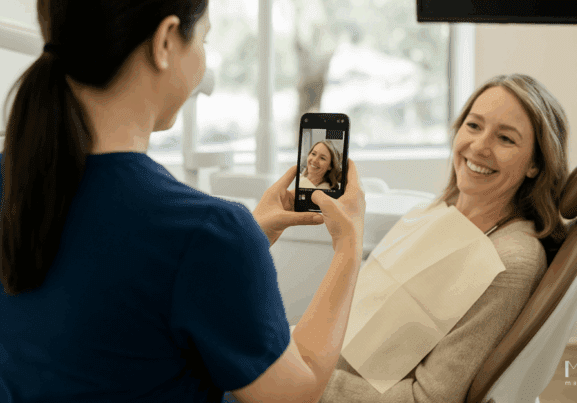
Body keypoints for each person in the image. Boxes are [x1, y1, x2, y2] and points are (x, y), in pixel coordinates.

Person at [0, 1, 365, 402]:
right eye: (204, 38)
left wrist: (245, 238)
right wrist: (349, 245)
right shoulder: (207, 232)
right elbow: (296, 391)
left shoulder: (15, 182)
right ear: (165, 41)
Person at [318, 73, 569, 403]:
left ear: (536, 163)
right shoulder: (434, 211)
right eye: (474, 126)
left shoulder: (509, 259)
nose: (479, 147)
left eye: (506, 139)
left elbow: (431, 398)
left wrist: (308, 384)